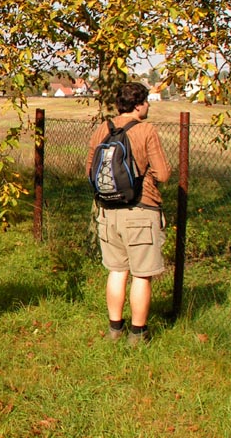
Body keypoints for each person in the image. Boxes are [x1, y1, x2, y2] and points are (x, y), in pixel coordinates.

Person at [85, 82, 172, 345]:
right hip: (140, 210)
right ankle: (138, 333)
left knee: (117, 271)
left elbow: (89, 169)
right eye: (146, 101)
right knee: (142, 274)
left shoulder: (104, 128)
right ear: (138, 104)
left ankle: (114, 330)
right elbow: (164, 173)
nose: (148, 106)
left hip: (108, 211)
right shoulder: (146, 130)